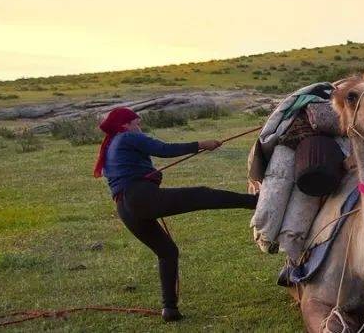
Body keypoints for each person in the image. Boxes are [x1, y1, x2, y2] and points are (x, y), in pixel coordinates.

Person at [93, 107, 257, 321]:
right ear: (125, 125)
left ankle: (169, 309)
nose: (139, 128)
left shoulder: (112, 145)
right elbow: (163, 149)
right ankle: (256, 201)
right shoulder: (126, 137)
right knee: (201, 195)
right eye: (137, 123)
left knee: (167, 252)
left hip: (125, 208)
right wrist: (201, 145)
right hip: (140, 198)